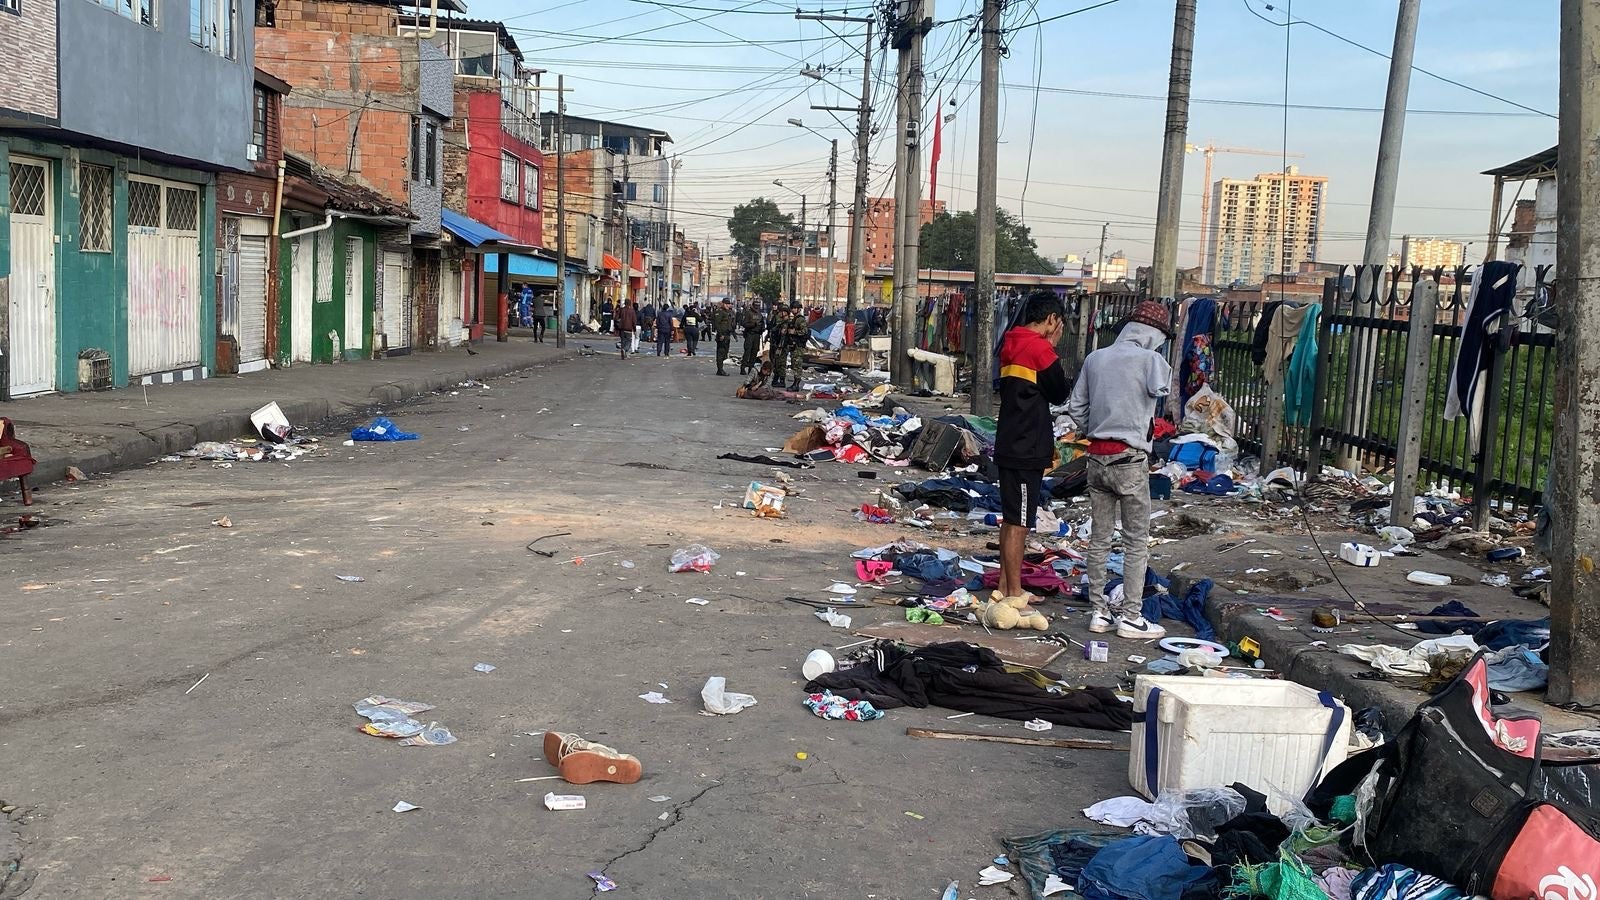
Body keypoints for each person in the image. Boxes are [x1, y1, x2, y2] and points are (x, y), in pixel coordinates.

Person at [1066, 299, 1173, 640]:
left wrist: (1092, 426)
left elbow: (1077, 408)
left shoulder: (1095, 358)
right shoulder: (1152, 360)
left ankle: (1099, 612)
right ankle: (1131, 616)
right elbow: (1162, 391)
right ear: (1154, 334)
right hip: (1129, 459)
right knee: (1135, 541)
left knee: (1099, 539)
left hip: (1096, 457)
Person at [993, 292, 1071, 614]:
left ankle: (1003, 587)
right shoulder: (1039, 348)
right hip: (1027, 447)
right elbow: (1060, 391)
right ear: (1052, 319)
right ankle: (1015, 593)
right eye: (1061, 325)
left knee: (1011, 520)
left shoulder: (1010, 341)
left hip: (1009, 440)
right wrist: (1052, 345)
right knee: (1020, 522)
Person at [781, 300, 810, 390]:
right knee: (794, 364)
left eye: (794, 308)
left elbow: (805, 331)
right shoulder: (795, 319)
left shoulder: (800, 319)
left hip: (798, 346)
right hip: (794, 345)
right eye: (792, 308)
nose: (793, 310)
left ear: (798, 309)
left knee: (797, 365)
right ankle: (795, 383)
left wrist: (795, 332)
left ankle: (796, 384)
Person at [710, 298, 736, 376]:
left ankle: (720, 368)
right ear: (723, 304)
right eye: (726, 304)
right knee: (721, 352)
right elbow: (717, 324)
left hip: (727, 335)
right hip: (722, 335)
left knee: (725, 353)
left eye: (729, 304)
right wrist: (720, 334)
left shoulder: (729, 312)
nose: (728, 305)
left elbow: (731, 324)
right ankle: (720, 370)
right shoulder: (719, 312)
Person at [768, 305, 792, 385]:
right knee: (776, 362)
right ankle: (776, 379)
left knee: (781, 363)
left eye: (783, 312)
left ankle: (781, 381)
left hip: (782, 346)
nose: (781, 313)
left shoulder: (787, 323)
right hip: (777, 344)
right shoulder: (780, 321)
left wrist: (780, 347)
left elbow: (783, 336)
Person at [739, 302, 764, 375]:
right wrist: (753, 324)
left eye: (758, 306)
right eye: (756, 306)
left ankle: (751, 367)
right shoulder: (748, 313)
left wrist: (762, 328)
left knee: (754, 352)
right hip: (750, 334)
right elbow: (744, 324)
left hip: (757, 335)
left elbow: (762, 323)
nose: (757, 307)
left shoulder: (760, 314)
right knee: (747, 351)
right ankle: (743, 367)